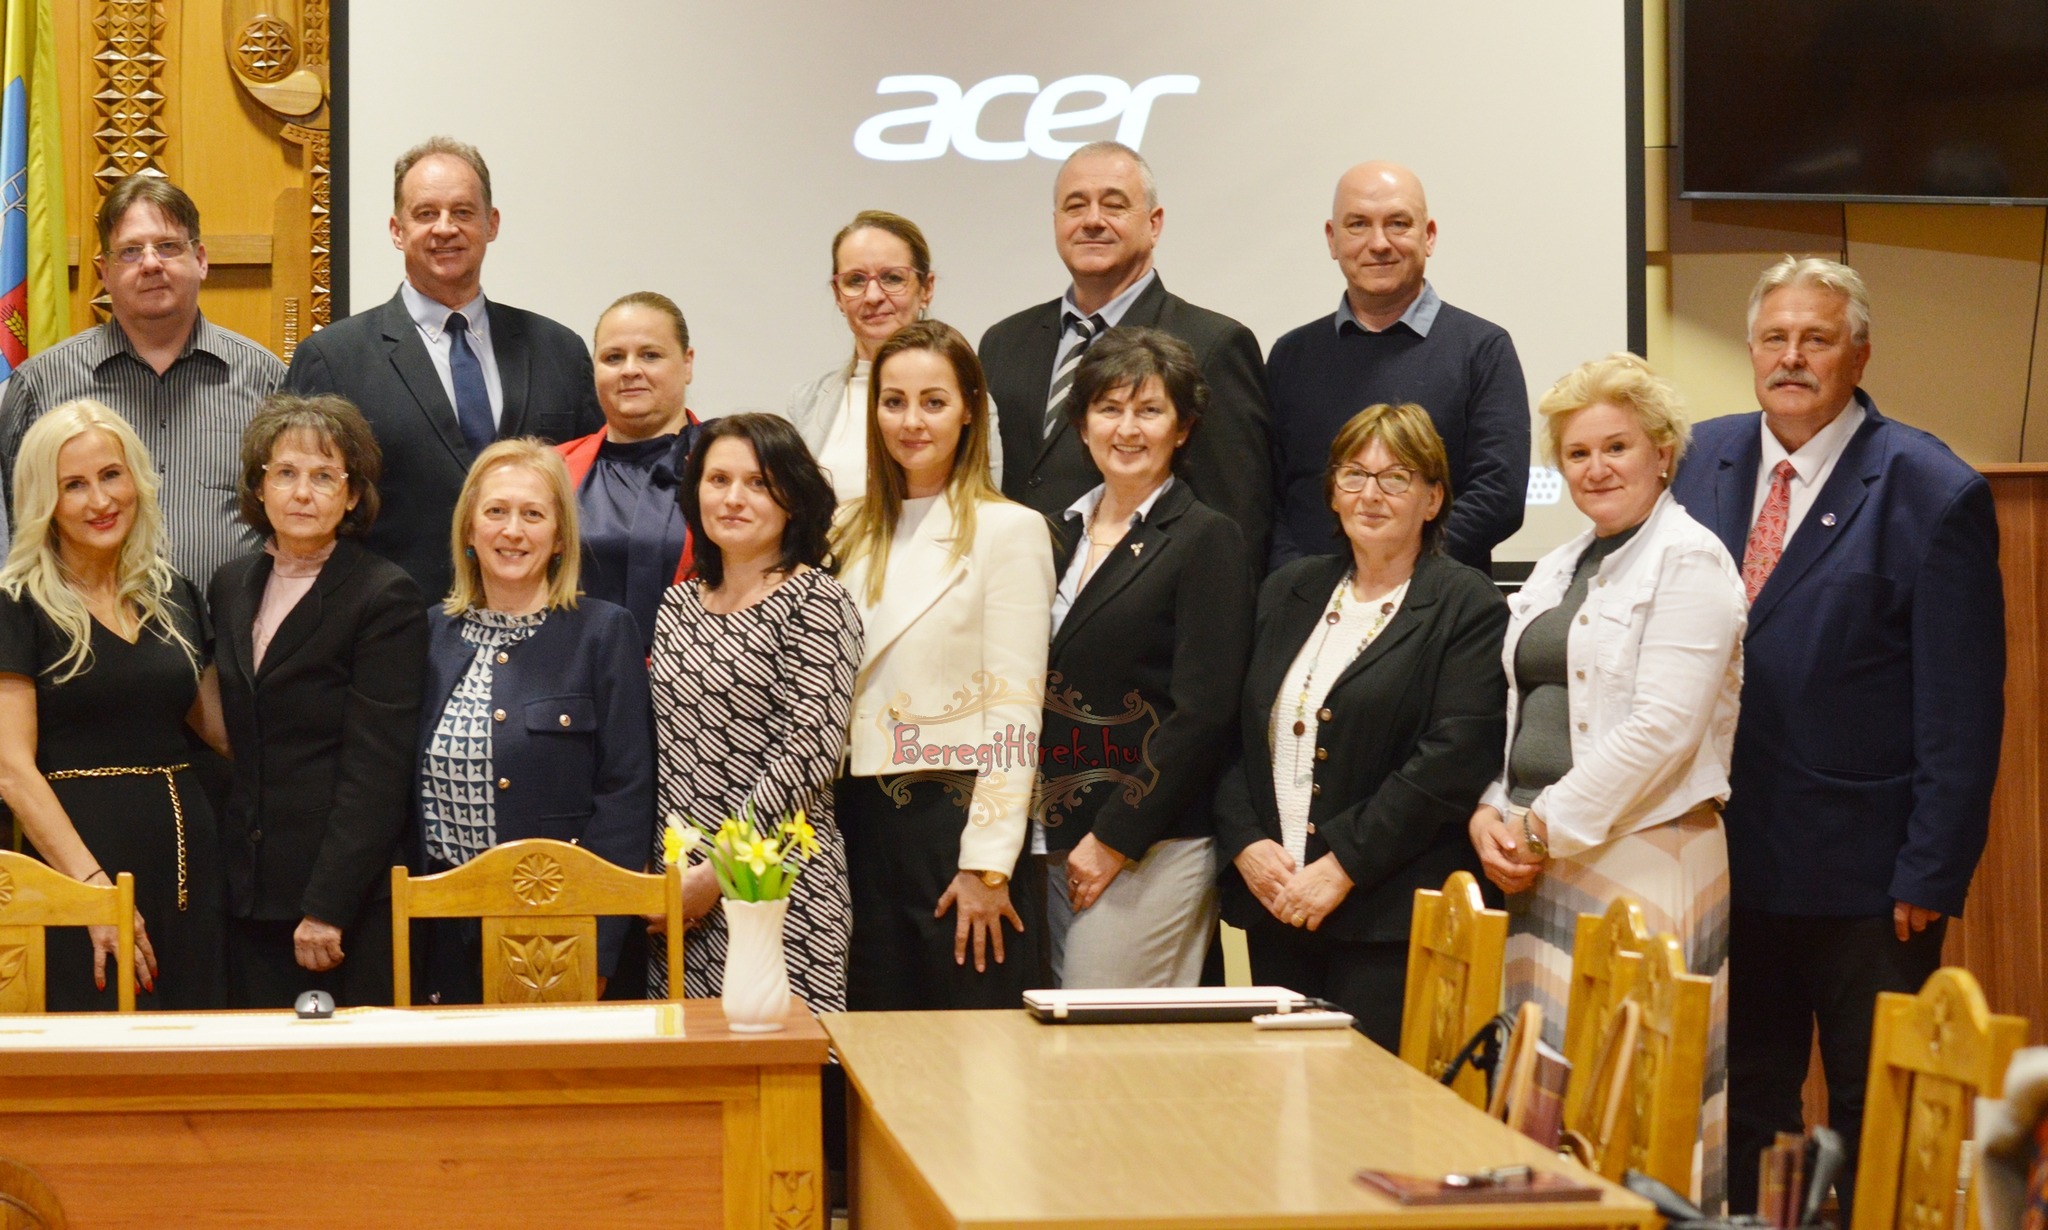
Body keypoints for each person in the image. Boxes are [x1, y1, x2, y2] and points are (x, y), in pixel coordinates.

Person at [1668, 257, 2005, 1221]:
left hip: (1870, 885)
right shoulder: (1696, 458)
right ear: (1749, 350)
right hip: (1726, 862)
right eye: (1774, 338)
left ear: (1859, 355)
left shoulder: (1931, 488)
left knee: (1874, 1116)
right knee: (1749, 1108)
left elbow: (1963, 708)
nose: (1792, 357)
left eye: (1816, 339)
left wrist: (1932, 869)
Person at [1467, 354, 1744, 1208]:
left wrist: (1537, 826)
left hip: (1645, 857)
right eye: (1577, 454)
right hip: (1540, 861)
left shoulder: (1690, 560)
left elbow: (1663, 729)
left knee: (1639, 1104)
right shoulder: (1561, 564)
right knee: (1546, 1107)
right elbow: (1521, 713)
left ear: (1663, 452)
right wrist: (1492, 811)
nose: (1596, 469)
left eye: (1616, 447)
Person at [1212, 401, 1507, 1049]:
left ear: (1433, 499)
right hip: (1276, 905)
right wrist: (1246, 842)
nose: (1371, 494)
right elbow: (1229, 731)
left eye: (1396, 478)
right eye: (1354, 475)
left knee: (1369, 1100)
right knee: (1280, 1093)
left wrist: (1342, 864)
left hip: (1386, 919)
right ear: (1332, 492)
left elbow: (1451, 759)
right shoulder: (1286, 590)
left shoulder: (1467, 604)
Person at [832, 320, 1054, 1010]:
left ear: (969, 411)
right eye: (893, 401)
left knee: (968, 1050)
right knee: (869, 1042)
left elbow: (1016, 711)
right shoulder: (845, 530)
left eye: (933, 401)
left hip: (952, 822)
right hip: (855, 821)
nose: (911, 421)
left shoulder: (1009, 529)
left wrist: (988, 864)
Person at [284, 137, 603, 600]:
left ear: (491, 224)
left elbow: (591, 498)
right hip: (391, 623)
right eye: (426, 213)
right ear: (397, 230)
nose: (445, 228)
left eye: (463, 212)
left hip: (543, 623)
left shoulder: (559, 351)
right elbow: (302, 510)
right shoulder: (334, 359)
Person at [1036, 327, 1253, 988]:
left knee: (1104, 1037)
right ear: (1082, 425)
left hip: (1150, 843)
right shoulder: (1053, 533)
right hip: (1050, 836)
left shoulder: (1206, 538)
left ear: (1182, 429)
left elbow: (1203, 715)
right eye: (1109, 408)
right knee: (1054, 1034)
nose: (1127, 429)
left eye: (1149, 410)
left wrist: (1115, 838)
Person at [0, 400, 230, 1010]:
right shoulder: (16, 604)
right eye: (73, 485)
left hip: (192, 864)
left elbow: (222, 733)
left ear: (137, 480)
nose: (100, 500)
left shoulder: (173, 593)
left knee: (197, 1045)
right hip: (76, 873)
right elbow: (10, 770)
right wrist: (92, 893)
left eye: (110, 475)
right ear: (44, 501)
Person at [412, 440, 655, 1004]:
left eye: (533, 514)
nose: (513, 531)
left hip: (557, 933)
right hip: (440, 934)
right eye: (496, 511)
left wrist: (596, 944)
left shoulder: (603, 632)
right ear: (469, 528)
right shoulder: (427, 634)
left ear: (561, 536)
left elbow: (626, 794)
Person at [210, 394, 428, 1008]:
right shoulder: (231, 584)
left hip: (338, 905)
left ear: (352, 495)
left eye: (324, 476)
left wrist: (327, 906)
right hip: (247, 892)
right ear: (260, 487)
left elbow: (376, 769)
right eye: (285, 473)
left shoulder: (384, 596)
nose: (302, 493)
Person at [647, 413, 858, 1012]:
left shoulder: (817, 599)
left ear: (794, 497)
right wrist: (673, 879)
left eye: (758, 483)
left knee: (782, 1061)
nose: (733, 498)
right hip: (680, 894)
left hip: (778, 885)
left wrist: (718, 873)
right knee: (688, 1063)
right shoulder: (676, 605)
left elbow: (808, 755)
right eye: (718, 480)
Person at [982, 141, 1273, 562]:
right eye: (1075, 206)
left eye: (1114, 205)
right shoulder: (1004, 341)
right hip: (1010, 586)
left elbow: (1237, 522)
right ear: (1056, 222)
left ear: (1154, 224)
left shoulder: (1213, 344)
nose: (1092, 221)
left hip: (1139, 594)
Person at [0, 176, 285, 585]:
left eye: (168, 246)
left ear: (201, 259)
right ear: (104, 272)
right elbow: (14, 532)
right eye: (130, 251)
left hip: (231, 625)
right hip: (79, 623)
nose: (151, 264)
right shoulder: (41, 384)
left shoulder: (265, 379)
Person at [1267, 161, 1529, 573]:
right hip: (1309, 603)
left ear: (1429, 236)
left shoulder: (1482, 350)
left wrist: (1396, 577)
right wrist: (1300, 585)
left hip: (1436, 601)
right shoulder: (1290, 356)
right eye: (1358, 224)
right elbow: (1269, 497)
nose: (1379, 243)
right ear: (1332, 239)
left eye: (1398, 224)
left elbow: (1498, 496)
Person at [785, 211, 1001, 501]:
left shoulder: (965, 400)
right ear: (837, 295)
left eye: (892, 278)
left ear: (927, 288)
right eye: (855, 280)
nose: (873, 296)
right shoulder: (807, 403)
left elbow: (983, 508)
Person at [556, 291, 705, 651]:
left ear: (687, 364)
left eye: (650, 355)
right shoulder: (552, 470)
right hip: (574, 674)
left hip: (703, 677)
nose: (630, 370)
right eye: (613, 357)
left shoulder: (735, 471)